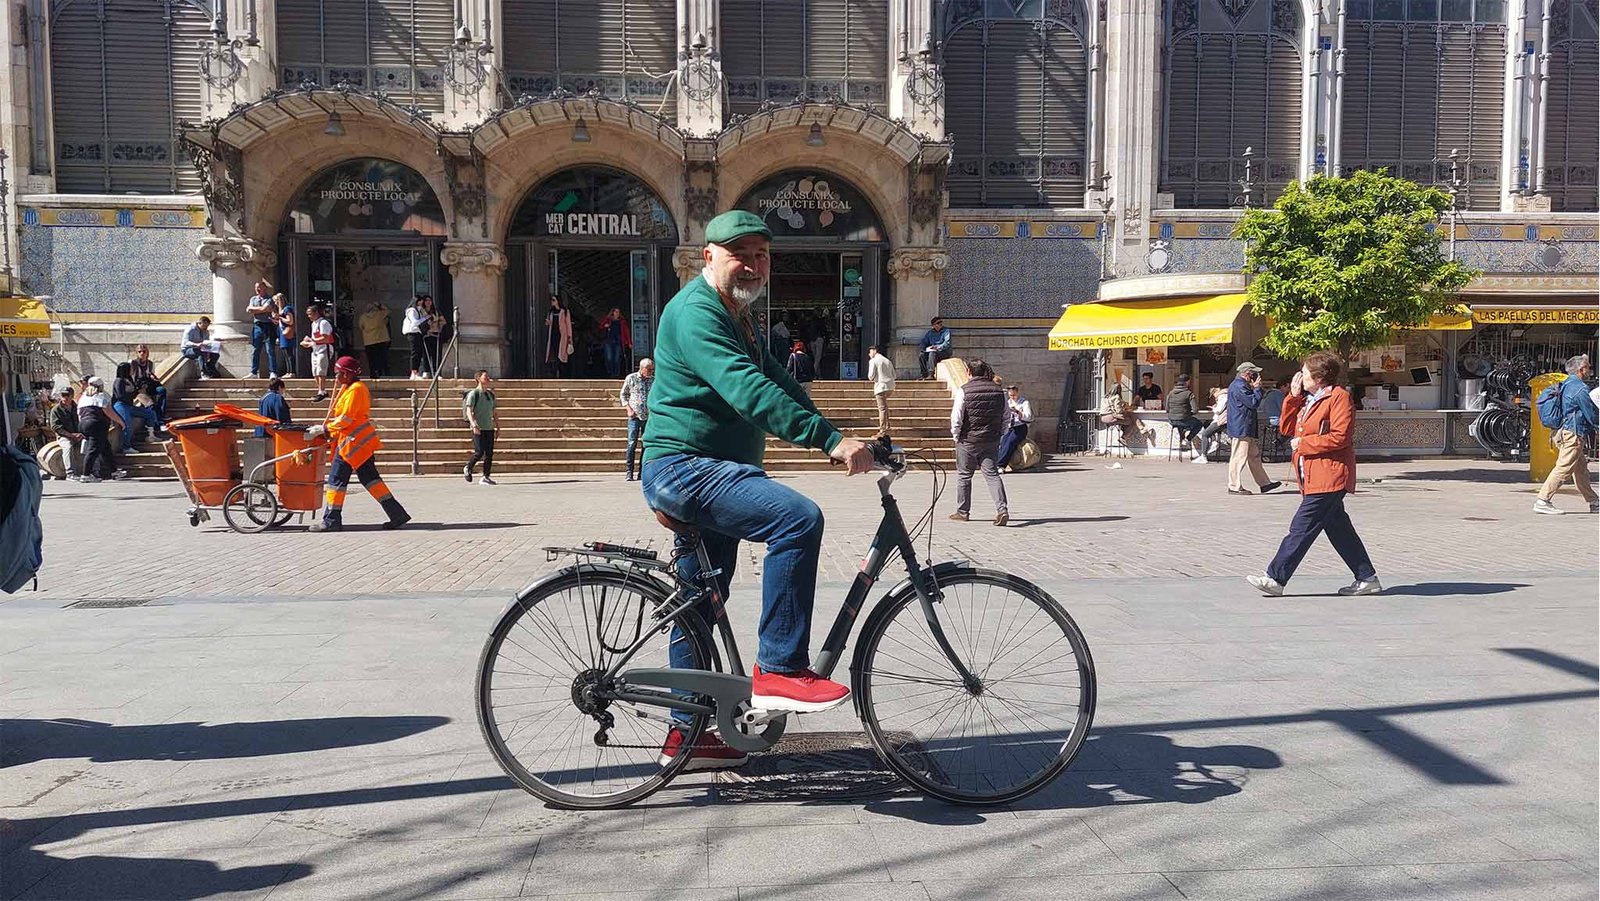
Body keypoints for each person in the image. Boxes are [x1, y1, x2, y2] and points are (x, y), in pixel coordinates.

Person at [641, 209, 874, 769]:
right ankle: (781, 672)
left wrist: (840, 431)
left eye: (761, 253)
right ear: (709, 256)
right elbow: (746, 389)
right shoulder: (697, 312)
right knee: (798, 520)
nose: (751, 263)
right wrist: (829, 441)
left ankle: (688, 734)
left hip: (714, 470)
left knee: (698, 601)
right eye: (739, 252)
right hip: (689, 467)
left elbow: (778, 381)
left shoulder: (739, 316)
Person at [1248, 351, 1380, 597]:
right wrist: (1293, 397)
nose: (1300, 377)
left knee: (1302, 526)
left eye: (1305, 373)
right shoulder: (1308, 399)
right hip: (1311, 475)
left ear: (1319, 377)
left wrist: (1305, 444)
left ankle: (1276, 578)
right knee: (1339, 529)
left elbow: (1341, 436)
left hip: (1329, 475)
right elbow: (1287, 428)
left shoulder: (1338, 397)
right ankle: (1366, 577)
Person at [308, 356, 409, 532]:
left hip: (351, 444)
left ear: (346, 375)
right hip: (358, 443)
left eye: (338, 373)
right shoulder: (350, 388)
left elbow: (346, 419)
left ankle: (331, 520)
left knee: (336, 482)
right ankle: (397, 514)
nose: (335, 377)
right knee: (371, 481)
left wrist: (324, 429)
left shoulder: (355, 390)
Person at [1533, 353, 1599, 515]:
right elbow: (1590, 413)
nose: (1590, 370)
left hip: (1561, 431)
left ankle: (1594, 502)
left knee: (1580, 469)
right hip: (1573, 434)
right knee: (1563, 468)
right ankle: (1543, 500)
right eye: (1588, 367)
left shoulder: (1566, 384)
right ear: (1581, 369)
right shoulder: (1580, 389)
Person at [947, 359, 1010, 524]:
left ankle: (963, 511)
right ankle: (1002, 509)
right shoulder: (1000, 392)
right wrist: (1000, 433)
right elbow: (1006, 417)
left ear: (968, 372)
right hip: (991, 439)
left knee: (964, 476)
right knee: (992, 475)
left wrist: (956, 435)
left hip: (968, 439)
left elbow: (957, 417)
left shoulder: (964, 391)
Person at [1226, 362, 1282, 495]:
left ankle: (1264, 483)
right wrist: (1256, 389)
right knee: (1239, 457)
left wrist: (1255, 388)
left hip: (1246, 426)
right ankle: (1234, 485)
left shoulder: (1241, 385)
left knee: (1254, 456)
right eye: (1253, 373)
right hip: (1242, 427)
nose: (1256, 376)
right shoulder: (1239, 386)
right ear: (1247, 374)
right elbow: (1252, 403)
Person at [76, 376, 127, 482]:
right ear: (100, 386)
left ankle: (114, 471)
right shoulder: (101, 396)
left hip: (83, 424)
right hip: (96, 424)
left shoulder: (83, 397)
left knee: (105, 448)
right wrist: (121, 422)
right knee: (93, 450)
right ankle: (86, 474)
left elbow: (79, 413)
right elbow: (108, 411)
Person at [110, 362, 162, 451]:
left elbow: (133, 394)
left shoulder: (130, 380)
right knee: (128, 425)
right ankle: (126, 447)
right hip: (120, 405)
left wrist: (138, 390)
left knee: (150, 414)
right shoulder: (119, 381)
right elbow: (120, 395)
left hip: (129, 405)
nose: (132, 370)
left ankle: (151, 436)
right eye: (130, 369)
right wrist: (132, 393)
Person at [619, 357, 653, 481]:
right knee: (632, 443)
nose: (650, 372)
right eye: (649, 370)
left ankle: (642, 472)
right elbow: (623, 395)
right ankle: (629, 471)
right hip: (634, 416)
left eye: (652, 370)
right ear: (642, 368)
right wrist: (628, 408)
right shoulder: (631, 378)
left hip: (648, 416)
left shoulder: (652, 381)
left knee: (645, 444)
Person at [45, 386, 84, 480]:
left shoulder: (77, 407)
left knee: (91, 444)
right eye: (63, 395)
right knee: (68, 446)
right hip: (64, 436)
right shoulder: (56, 410)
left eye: (67, 395)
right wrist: (70, 435)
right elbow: (55, 427)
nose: (65, 398)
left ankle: (92, 470)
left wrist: (81, 433)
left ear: (72, 396)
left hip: (78, 433)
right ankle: (70, 473)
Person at [245, 280, 279, 378]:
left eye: (259, 288)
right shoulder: (253, 298)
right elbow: (249, 310)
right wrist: (261, 309)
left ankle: (273, 371)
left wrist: (255, 310)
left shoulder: (270, 298)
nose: (257, 290)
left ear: (265, 288)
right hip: (257, 326)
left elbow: (266, 308)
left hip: (268, 325)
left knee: (270, 350)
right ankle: (254, 372)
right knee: (256, 349)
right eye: (256, 288)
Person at [128, 345, 168, 425]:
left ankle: (161, 414)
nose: (142, 353)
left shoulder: (150, 363)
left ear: (147, 353)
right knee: (150, 403)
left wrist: (152, 377)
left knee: (162, 390)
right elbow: (130, 377)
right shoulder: (132, 363)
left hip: (148, 385)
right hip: (138, 388)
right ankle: (156, 422)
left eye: (144, 351)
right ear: (137, 353)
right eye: (139, 351)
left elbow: (151, 374)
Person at [997, 383, 1034, 470]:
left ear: (1017, 393)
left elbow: (1028, 416)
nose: (1012, 397)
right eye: (1010, 395)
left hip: (1020, 427)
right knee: (1003, 443)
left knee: (1010, 442)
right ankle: (998, 463)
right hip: (1010, 426)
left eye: (1014, 395)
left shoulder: (1024, 402)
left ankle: (1001, 465)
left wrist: (1017, 412)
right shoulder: (1008, 402)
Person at [305, 304, 336, 401]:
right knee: (315, 371)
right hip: (315, 349)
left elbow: (326, 338)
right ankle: (321, 390)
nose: (309, 316)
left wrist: (312, 341)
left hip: (324, 349)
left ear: (316, 313)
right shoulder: (313, 324)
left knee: (321, 370)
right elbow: (316, 338)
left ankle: (321, 391)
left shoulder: (323, 323)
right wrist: (309, 341)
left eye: (310, 314)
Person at [1166, 374, 1203, 450]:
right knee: (1198, 424)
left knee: (1181, 424)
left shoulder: (1170, 393)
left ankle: (1182, 439)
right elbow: (1195, 409)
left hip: (1172, 420)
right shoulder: (1189, 393)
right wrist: (1189, 413)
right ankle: (1187, 439)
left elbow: (1167, 409)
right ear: (1187, 382)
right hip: (1184, 420)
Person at [1194, 387, 1229, 463]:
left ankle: (1204, 456)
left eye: (1213, 396)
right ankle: (1214, 442)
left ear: (1215, 392)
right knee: (1208, 425)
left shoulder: (1222, 396)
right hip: (1224, 420)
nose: (1214, 397)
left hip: (1220, 420)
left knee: (1205, 434)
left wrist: (1214, 408)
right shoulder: (1226, 395)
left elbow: (1219, 410)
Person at [867, 344, 896, 437]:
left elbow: (871, 376)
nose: (869, 354)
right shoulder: (887, 360)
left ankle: (882, 430)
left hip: (880, 387)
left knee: (882, 408)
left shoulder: (873, 361)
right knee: (885, 406)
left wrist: (875, 378)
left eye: (870, 351)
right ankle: (887, 425)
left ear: (875, 351)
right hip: (890, 386)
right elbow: (894, 375)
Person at [359, 301, 391, 379]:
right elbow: (388, 311)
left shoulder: (363, 317)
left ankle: (373, 374)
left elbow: (361, 326)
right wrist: (380, 305)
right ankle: (383, 373)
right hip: (381, 340)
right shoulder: (380, 314)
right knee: (382, 358)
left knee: (371, 359)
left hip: (368, 341)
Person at [545, 296, 574, 378]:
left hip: (562, 337)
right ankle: (556, 375)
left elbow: (568, 325)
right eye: (551, 300)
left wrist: (570, 337)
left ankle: (563, 375)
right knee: (555, 355)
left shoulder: (564, 312)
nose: (552, 301)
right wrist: (548, 322)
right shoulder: (551, 312)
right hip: (553, 336)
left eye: (553, 300)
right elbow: (550, 323)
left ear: (558, 301)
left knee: (562, 356)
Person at [599, 307, 632, 378]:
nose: (617, 313)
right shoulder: (608, 320)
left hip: (618, 341)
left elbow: (626, 332)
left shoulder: (622, 321)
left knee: (617, 358)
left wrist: (629, 342)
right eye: (616, 312)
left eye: (618, 312)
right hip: (608, 341)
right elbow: (600, 327)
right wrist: (605, 326)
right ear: (612, 312)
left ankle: (616, 374)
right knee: (609, 358)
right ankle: (610, 372)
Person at [403, 296, 431, 379]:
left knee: (419, 353)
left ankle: (416, 371)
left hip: (418, 333)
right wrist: (425, 318)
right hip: (412, 332)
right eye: (419, 303)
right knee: (415, 352)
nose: (421, 305)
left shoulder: (419, 311)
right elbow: (414, 322)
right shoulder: (412, 311)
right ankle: (413, 372)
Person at [422, 297, 447, 374]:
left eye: (429, 300)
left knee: (436, 354)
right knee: (426, 354)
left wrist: (439, 327)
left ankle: (437, 372)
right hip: (426, 335)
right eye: (426, 301)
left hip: (435, 334)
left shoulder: (436, 311)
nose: (428, 302)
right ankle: (426, 371)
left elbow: (443, 321)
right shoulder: (421, 311)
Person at [275, 295, 297, 378]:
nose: (275, 303)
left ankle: (292, 371)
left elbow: (290, 321)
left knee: (289, 354)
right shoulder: (281, 310)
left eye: (276, 301)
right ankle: (288, 371)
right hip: (282, 333)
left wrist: (280, 317)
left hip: (287, 334)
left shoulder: (287, 309)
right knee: (285, 353)